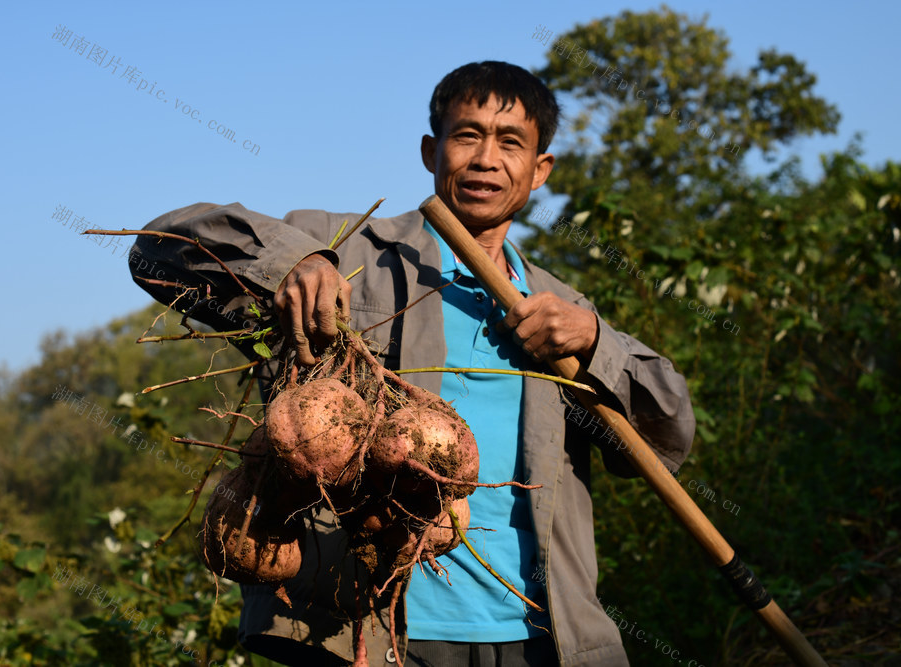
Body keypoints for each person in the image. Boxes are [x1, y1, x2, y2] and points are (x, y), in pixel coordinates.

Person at [128, 61, 695, 666]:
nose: (485, 159)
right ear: (432, 150)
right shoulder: (344, 251)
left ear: (539, 171)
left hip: (542, 638)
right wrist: (291, 264)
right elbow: (158, 249)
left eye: (511, 143)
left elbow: (666, 437)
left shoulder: (562, 314)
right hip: (364, 632)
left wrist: (598, 341)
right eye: (467, 135)